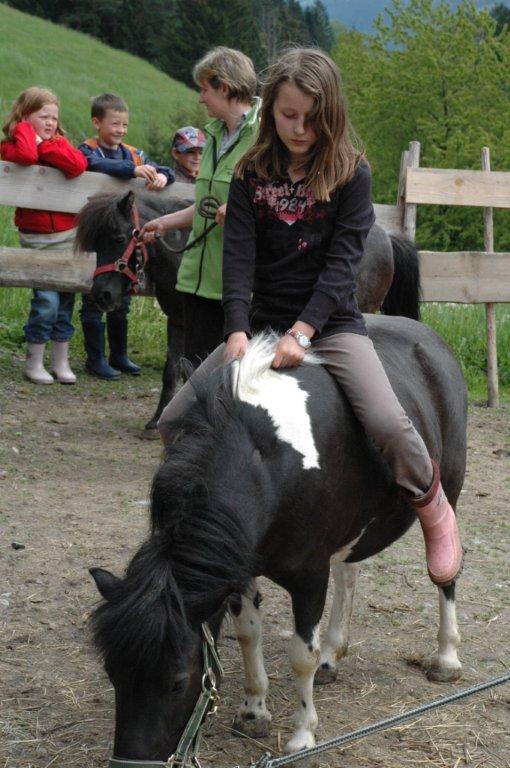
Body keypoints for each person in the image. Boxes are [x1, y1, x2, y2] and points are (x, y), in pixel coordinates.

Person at [155, 48, 463, 588]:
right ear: (270, 109)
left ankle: (433, 506)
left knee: (388, 422)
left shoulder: (350, 173)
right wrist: (236, 330)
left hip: (333, 323)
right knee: (174, 420)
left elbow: (343, 265)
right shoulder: (250, 172)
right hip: (261, 324)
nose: (299, 129)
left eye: (312, 118)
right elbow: (238, 260)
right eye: (288, 115)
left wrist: (304, 331)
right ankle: (217, 516)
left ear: (332, 113)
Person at [140, 47, 260, 368]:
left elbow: (279, 202)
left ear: (225, 87)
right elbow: (207, 206)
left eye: (205, 89)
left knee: (232, 377)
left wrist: (242, 211)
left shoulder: (265, 137)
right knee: (193, 371)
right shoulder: (214, 136)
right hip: (197, 280)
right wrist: (165, 223)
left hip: (237, 286)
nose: (201, 98)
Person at [78, 93, 174, 379]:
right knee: (93, 299)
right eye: (115, 124)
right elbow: (93, 165)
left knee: (122, 297)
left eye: (125, 125)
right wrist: (131, 170)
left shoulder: (134, 152)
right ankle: (95, 357)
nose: (121, 130)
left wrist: (162, 176)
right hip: (100, 238)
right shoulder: (88, 149)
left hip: (124, 238)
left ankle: (118, 355)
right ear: (97, 123)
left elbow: (162, 168)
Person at [1, 86, 87, 385]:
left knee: (65, 301)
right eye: (43, 116)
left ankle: (60, 361)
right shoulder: (11, 146)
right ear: (25, 116)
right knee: (46, 302)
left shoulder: (58, 143)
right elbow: (25, 155)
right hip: (37, 239)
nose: (50, 122)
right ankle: (34, 361)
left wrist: (46, 144)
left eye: (54, 117)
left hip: (68, 236)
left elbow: (78, 165)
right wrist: (26, 132)